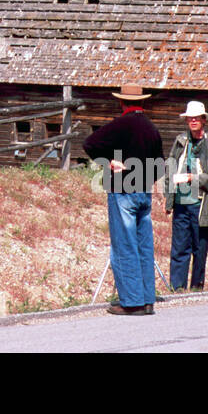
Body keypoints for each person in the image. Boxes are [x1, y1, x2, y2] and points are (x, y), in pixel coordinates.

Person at [83, 83, 164, 316]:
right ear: (142, 102)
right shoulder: (151, 129)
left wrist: (108, 161)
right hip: (144, 193)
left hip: (123, 191)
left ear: (121, 102)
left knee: (124, 245)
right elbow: (159, 167)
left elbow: (89, 144)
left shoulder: (121, 124)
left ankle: (131, 302)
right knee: (144, 246)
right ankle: (147, 299)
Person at [162, 100, 208, 291]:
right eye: (189, 118)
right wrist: (169, 199)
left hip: (201, 205)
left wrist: (195, 178)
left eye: (196, 118)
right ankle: (177, 289)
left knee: (199, 250)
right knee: (179, 249)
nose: (192, 121)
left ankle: (197, 289)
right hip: (181, 204)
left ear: (203, 120)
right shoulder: (181, 142)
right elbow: (170, 169)